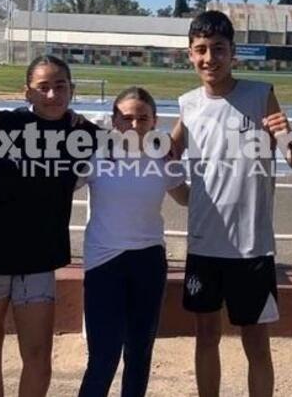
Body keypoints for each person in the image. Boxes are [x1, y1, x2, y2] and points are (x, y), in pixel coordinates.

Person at [171, 10, 292, 397]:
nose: (209, 58)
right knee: (205, 336)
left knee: (256, 342)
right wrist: (179, 192)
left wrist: (289, 135)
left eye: (218, 49)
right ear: (190, 54)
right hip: (204, 244)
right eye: (201, 50)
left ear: (233, 53)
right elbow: (164, 158)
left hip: (252, 246)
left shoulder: (260, 94)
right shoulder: (188, 104)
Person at [0, 55, 99, 397]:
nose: (52, 95)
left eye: (60, 86)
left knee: (38, 354)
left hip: (39, 258)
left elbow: (138, 141)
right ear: (27, 92)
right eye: (43, 87)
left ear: (72, 89)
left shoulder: (84, 134)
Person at [77, 87, 189, 397]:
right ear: (114, 120)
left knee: (139, 352)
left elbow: (187, 199)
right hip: (104, 263)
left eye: (143, 118)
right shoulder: (95, 154)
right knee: (103, 356)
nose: (135, 125)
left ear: (154, 121)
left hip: (149, 262)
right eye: (126, 118)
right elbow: (58, 190)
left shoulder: (163, 158)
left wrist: (229, 180)